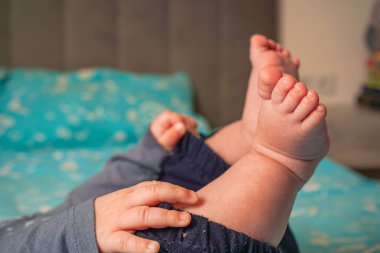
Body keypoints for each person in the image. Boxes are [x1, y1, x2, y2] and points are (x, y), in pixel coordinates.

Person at [0, 34, 329, 253]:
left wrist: (146, 155)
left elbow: (65, 211)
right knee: (147, 237)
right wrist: (80, 232)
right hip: (246, 227)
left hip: (259, 216)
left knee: (156, 180)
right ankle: (278, 161)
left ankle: (248, 136)